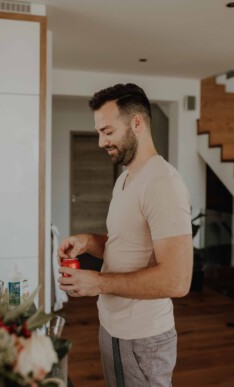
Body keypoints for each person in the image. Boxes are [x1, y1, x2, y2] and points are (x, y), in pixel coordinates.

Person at [57, 83, 193, 387]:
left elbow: (178, 279)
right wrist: (89, 242)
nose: (100, 141)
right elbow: (125, 246)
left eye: (107, 131)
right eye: (98, 132)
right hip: (113, 327)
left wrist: (99, 282)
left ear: (137, 123)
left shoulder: (163, 184)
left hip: (142, 338)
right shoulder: (126, 180)